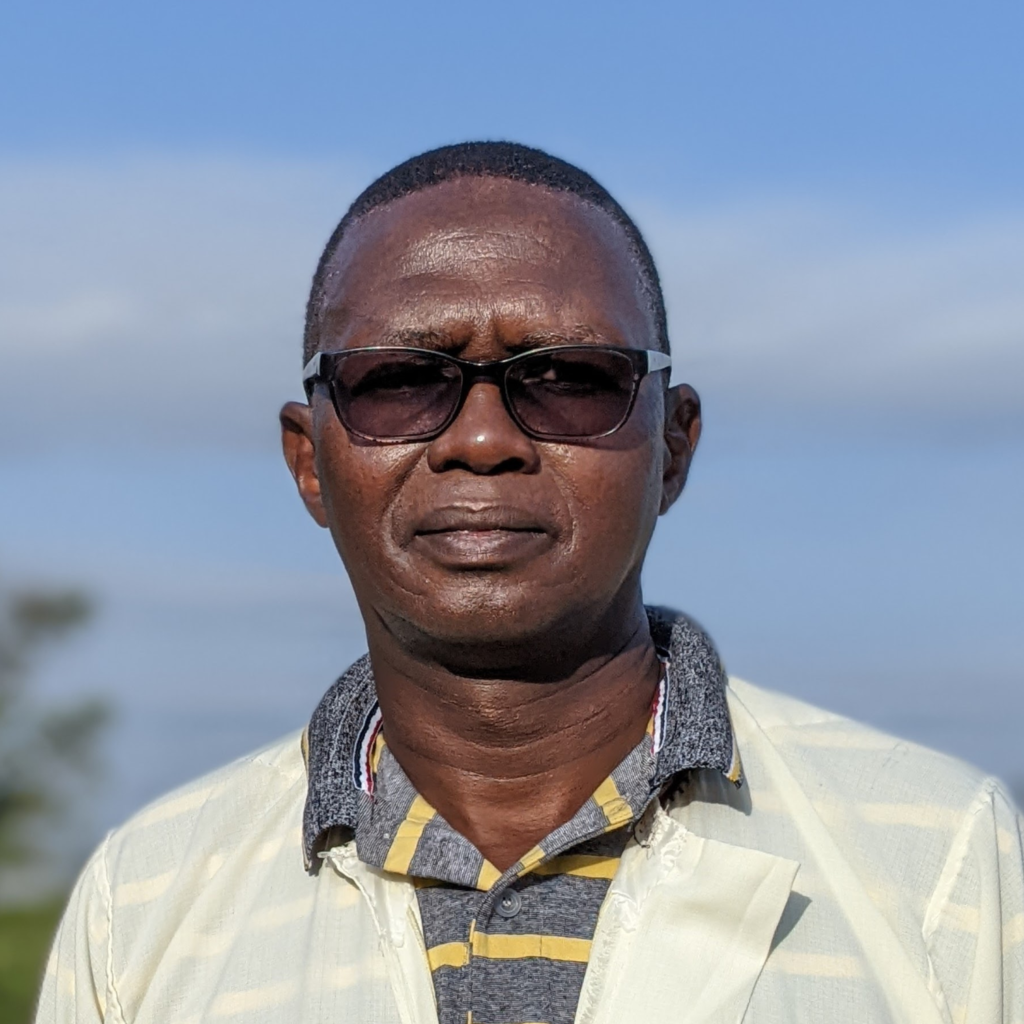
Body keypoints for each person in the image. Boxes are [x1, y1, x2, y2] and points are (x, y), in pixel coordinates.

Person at [37, 142, 1023, 1024]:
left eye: (570, 378)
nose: (482, 439)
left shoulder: (941, 861)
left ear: (674, 447)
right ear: (310, 463)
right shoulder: (146, 905)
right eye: (399, 380)